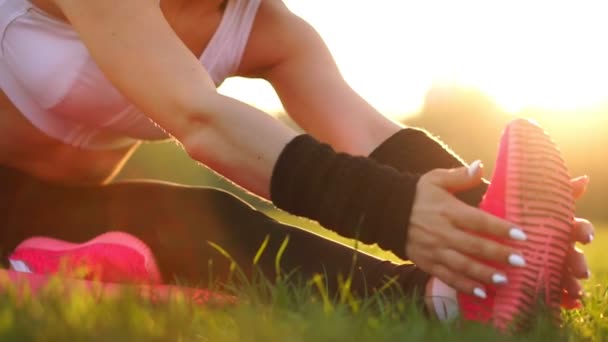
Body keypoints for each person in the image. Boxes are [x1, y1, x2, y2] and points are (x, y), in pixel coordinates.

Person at [0, 0, 593, 323]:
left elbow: (368, 133)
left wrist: (495, 229)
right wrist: (394, 212)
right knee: (185, 211)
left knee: (197, 221)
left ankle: (440, 298)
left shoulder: (270, 29)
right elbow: (200, 119)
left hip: (50, 208)